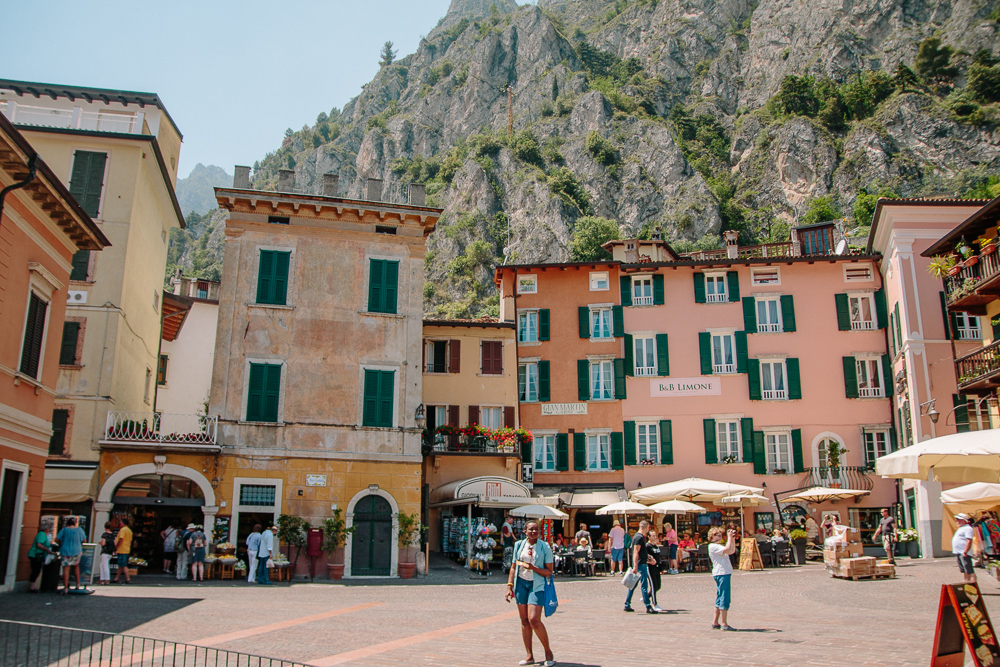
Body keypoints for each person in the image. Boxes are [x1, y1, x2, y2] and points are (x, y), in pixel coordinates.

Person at [504, 521, 555, 667]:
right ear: (525, 531)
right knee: (524, 620)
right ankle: (529, 655)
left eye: (536, 530)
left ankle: (548, 652)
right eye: (530, 529)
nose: (534, 532)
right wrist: (509, 586)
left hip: (536, 584)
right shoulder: (519, 545)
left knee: (534, 619)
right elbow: (513, 567)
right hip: (521, 584)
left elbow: (549, 572)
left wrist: (534, 568)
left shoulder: (545, 547)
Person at [624, 520, 661, 614]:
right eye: (648, 528)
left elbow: (641, 552)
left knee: (633, 585)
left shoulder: (639, 537)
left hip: (640, 563)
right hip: (641, 565)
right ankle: (648, 606)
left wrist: (648, 558)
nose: (648, 530)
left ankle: (627, 604)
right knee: (644, 585)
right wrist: (635, 566)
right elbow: (636, 551)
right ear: (645, 527)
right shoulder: (639, 537)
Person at [708, 526, 738, 630]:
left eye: (721, 535)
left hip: (724, 572)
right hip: (722, 573)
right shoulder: (713, 546)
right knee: (724, 597)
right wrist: (729, 538)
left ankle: (715, 622)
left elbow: (731, 551)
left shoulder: (718, 546)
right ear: (712, 536)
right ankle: (724, 623)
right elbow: (727, 549)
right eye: (718, 535)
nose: (720, 537)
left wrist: (732, 539)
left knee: (720, 597)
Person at [55, 517, 86, 594]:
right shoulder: (79, 530)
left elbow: (56, 539)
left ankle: (65, 588)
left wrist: (62, 543)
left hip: (65, 550)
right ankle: (78, 584)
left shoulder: (64, 530)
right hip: (77, 550)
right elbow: (84, 540)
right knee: (76, 566)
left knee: (66, 568)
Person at [27, 518, 55, 592]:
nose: (49, 530)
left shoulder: (41, 534)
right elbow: (39, 544)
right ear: (46, 529)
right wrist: (47, 549)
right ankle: (32, 586)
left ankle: (32, 586)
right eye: (49, 528)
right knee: (36, 570)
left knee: (35, 570)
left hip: (35, 554)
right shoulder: (42, 535)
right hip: (36, 554)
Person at [953, 513, 977, 584]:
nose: (957, 520)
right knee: (964, 570)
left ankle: (974, 584)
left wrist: (965, 552)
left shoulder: (968, 528)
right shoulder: (961, 528)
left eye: (959, 519)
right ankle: (966, 583)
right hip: (959, 552)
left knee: (969, 569)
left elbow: (969, 541)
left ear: (964, 520)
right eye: (957, 519)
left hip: (964, 552)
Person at [113, 517, 133, 584]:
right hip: (126, 549)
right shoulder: (129, 531)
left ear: (123, 523)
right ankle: (116, 578)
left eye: (120, 522)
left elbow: (121, 539)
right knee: (120, 565)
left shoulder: (123, 530)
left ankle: (128, 578)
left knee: (123, 565)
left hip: (122, 549)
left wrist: (117, 546)